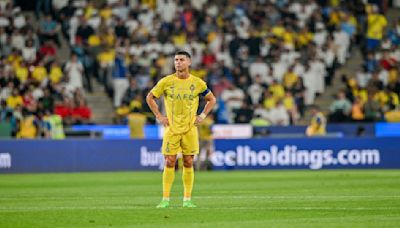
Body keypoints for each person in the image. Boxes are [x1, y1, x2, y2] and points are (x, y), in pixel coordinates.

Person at [146, 51, 216, 208]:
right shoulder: (166, 81)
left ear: (189, 62)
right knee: (169, 161)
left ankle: (187, 199)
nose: (178, 62)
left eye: (181, 60)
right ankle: (165, 199)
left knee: (188, 161)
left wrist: (202, 115)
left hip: (190, 128)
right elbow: (149, 97)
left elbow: (212, 99)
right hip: (171, 128)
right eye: (176, 60)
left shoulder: (198, 83)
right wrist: (159, 116)